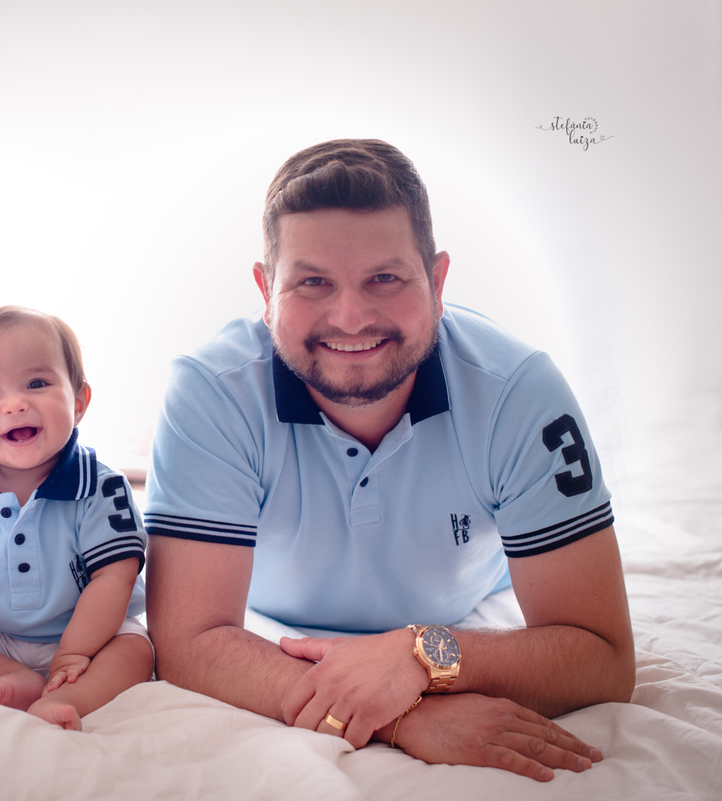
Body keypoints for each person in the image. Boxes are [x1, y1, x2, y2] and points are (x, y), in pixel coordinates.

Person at [143, 139, 635, 781]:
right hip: (271, 608)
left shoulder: (522, 392)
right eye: (312, 282)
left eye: (385, 278)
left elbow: (603, 657)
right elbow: (188, 643)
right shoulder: (209, 391)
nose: (350, 318)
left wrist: (424, 652)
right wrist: (403, 716)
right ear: (265, 290)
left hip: (462, 600)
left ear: (437, 281)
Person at [0, 306, 152, 730]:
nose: (15, 404)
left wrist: (74, 652)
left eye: (37, 383)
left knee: (136, 651)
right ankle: (10, 677)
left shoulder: (99, 486)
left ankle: (70, 695)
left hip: (91, 633)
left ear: (78, 402)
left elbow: (114, 577)